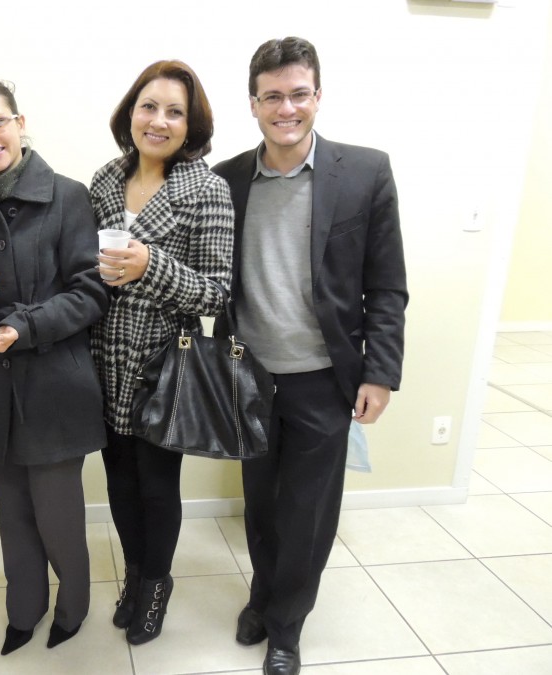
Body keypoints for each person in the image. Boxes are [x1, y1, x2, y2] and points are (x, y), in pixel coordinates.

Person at [212, 37, 408, 675]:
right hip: (247, 376)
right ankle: (263, 595)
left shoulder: (365, 172)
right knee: (260, 504)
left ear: (318, 96)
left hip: (324, 379)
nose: (287, 108)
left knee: (308, 512)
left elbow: (386, 285)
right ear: (253, 104)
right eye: (272, 96)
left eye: (299, 94)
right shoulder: (226, 179)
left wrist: (380, 372)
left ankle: (287, 625)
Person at [0, 76, 109, 656]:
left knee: (58, 515)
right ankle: (25, 609)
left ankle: (73, 607)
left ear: (19, 123)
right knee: (13, 512)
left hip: (54, 382)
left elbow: (91, 292)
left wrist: (22, 327)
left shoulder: (68, 196)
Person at [90, 60, 234, 645]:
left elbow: (217, 291)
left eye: (175, 112)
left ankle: (155, 587)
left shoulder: (207, 189)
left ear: (190, 125)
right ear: (131, 113)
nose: (159, 121)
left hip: (163, 366)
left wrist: (151, 265)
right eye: (149, 106)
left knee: (156, 485)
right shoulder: (105, 179)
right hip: (102, 357)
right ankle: (134, 575)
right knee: (118, 483)